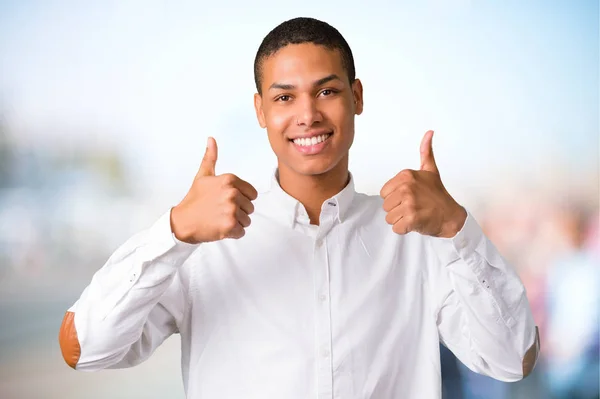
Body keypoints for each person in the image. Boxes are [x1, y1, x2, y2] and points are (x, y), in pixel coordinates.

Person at [59, 17, 540, 398]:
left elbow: (512, 360)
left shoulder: (419, 239)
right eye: (284, 97)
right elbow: (83, 348)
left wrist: (457, 227)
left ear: (356, 97)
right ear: (261, 111)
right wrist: (175, 230)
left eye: (327, 91)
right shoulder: (201, 244)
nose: (307, 114)